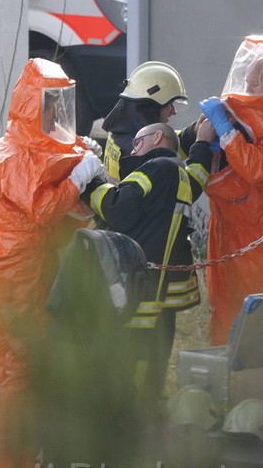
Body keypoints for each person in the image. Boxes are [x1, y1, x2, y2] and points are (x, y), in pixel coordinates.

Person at [0, 58, 106, 468]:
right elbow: (45, 207)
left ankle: (9, 457)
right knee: (21, 361)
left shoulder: (28, 147)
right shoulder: (11, 154)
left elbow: (53, 175)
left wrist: (81, 155)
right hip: (17, 268)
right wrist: (81, 175)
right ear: (31, 104)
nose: (56, 114)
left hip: (27, 263)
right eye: (49, 104)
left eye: (59, 103)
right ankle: (11, 464)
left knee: (11, 358)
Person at [83, 121, 215, 407]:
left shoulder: (156, 168)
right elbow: (197, 179)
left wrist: (89, 181)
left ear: (157, 138)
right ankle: (147, 430)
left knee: (124, 371)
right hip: (161, 294)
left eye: (137, 142)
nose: (133, 149)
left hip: (138, 290)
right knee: (150, 373)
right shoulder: (178, 172)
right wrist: (202, 143)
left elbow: (117, 208)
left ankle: (126, 431)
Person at [198, 35, 263, 345]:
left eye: (253, 87)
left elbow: (258, 170)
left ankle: (251, 367)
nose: (245, 92)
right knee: (224, 299)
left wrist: (226, 133)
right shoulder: (256, 118)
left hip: (256, 234)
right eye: (247, 83)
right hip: (231, 224)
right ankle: (224, 366)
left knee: (254, 302)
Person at [101, 60, 193, 180]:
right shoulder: (142, 152)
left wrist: (195, 131)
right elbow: (184, 191)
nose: (174, 111)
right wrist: (202, 148)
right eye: (169, 104)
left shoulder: (124, 132)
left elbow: (168, 142)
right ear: (151, 107)